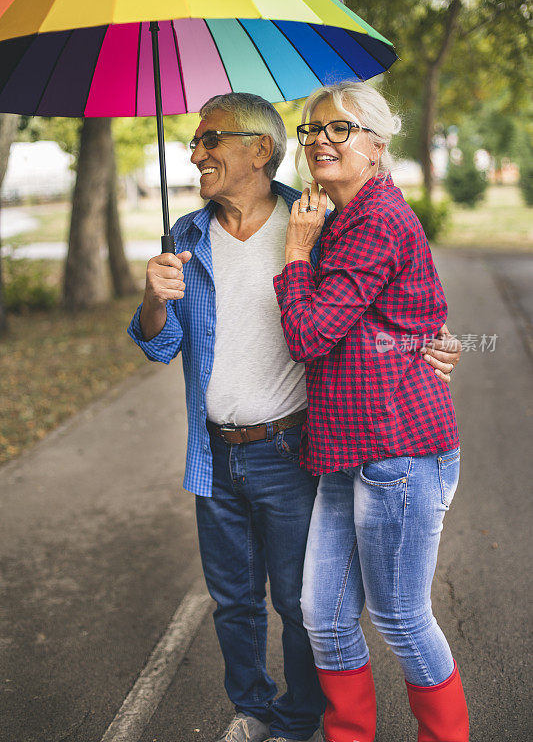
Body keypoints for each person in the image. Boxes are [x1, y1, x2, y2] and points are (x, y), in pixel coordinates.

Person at [128, 92, 462, 742]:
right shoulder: (187, 239)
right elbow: (158, 345)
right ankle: (254, 712)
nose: (195, 154)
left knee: (306, 604)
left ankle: (304, 721)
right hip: (215, 453)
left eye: (209, 140)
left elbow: (382, 303)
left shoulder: (313, 222)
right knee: (239, 603)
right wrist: (152, 298)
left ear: (258, 149)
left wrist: (435, 340)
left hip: (294, 447)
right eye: (193, 143)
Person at [273, 81, 469, 742]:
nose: (320, 141)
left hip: (399, 452)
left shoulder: (374, 217)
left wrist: (295, 253)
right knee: (323, 617)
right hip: (346, 449)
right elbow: (419, 309)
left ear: (377, 146)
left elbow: (308, 334)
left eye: (340, 129)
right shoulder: (342, 214)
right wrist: (425, 336)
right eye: (311, 130)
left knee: (400, 617)